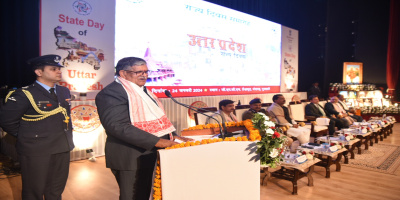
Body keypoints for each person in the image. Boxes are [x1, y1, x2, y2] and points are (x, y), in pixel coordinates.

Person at [95, 57, 192, 200]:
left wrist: (173, 136)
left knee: (149, 193)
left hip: (151, 152)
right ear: (123, 73)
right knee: (135, 196)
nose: (144, 75)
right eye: (138, 72)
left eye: (146, 72)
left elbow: (157, 118)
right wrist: (159, 142)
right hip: (131, 156)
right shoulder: (112, 93)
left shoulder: (143, 91)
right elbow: (117, 126)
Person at [0, 54, 74, 199]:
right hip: (36, 150)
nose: (59, 71)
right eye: (53, 69)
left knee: (56, 190)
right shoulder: (24, 94)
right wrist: (30, 136)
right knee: (34, 191)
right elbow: (6, 121)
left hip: (62, 147)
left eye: (59, 69)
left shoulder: (63, 91)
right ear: (39, 72)